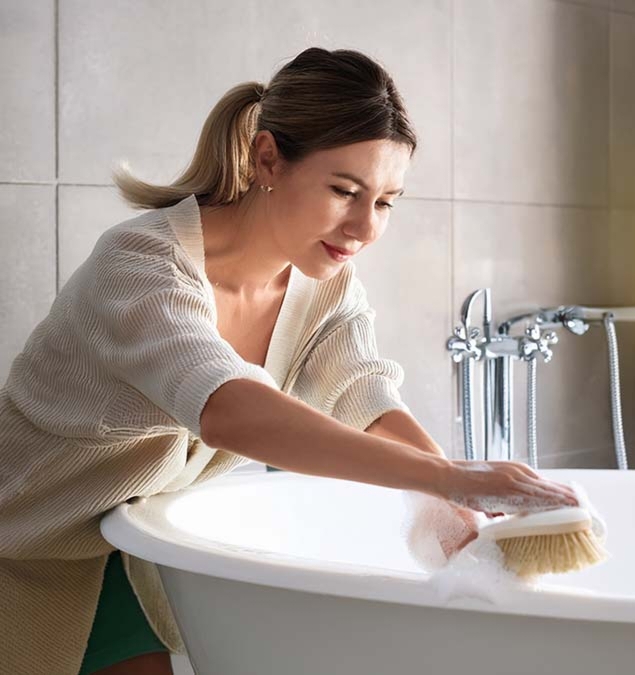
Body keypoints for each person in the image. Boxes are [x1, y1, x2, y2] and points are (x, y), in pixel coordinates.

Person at [0, 47, 578, 675]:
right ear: (268, 158)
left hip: (128, 544)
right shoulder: (140, 265)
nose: (364, 228)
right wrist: (447, 477)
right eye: (344, 191)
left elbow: (362, 394)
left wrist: (453, 500)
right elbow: (229, 410)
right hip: (27, 545)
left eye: (386, 202)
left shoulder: (326, 285)